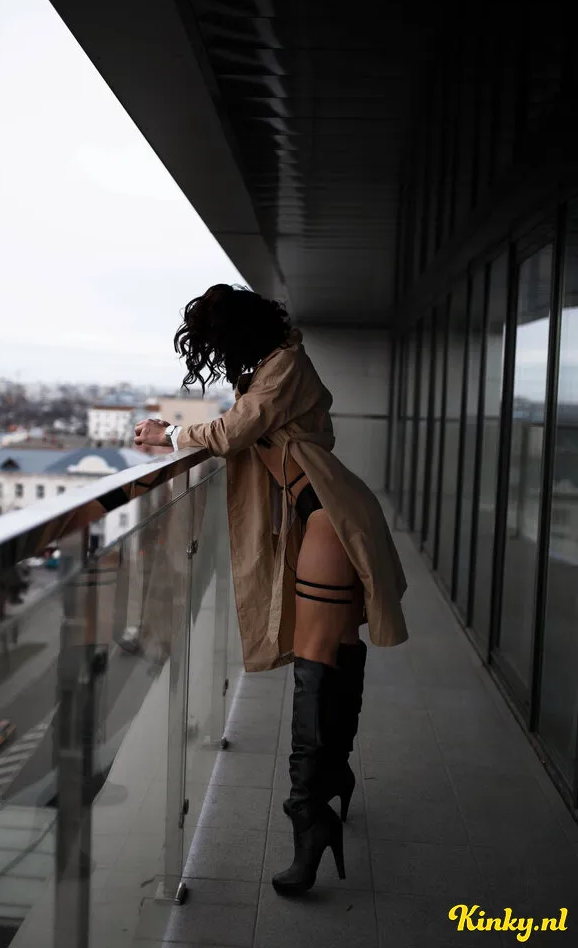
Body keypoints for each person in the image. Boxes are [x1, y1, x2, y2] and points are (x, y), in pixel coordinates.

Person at [135, 284, 408, 897]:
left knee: (317, 665)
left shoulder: (284, 364)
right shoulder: (272, 366)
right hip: (324, 513)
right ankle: (332, 781)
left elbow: (237, 430)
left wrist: (168, 434)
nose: (214, 356)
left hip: (328, 517)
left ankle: (308, 815)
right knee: (336, 655)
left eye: (215, 343)